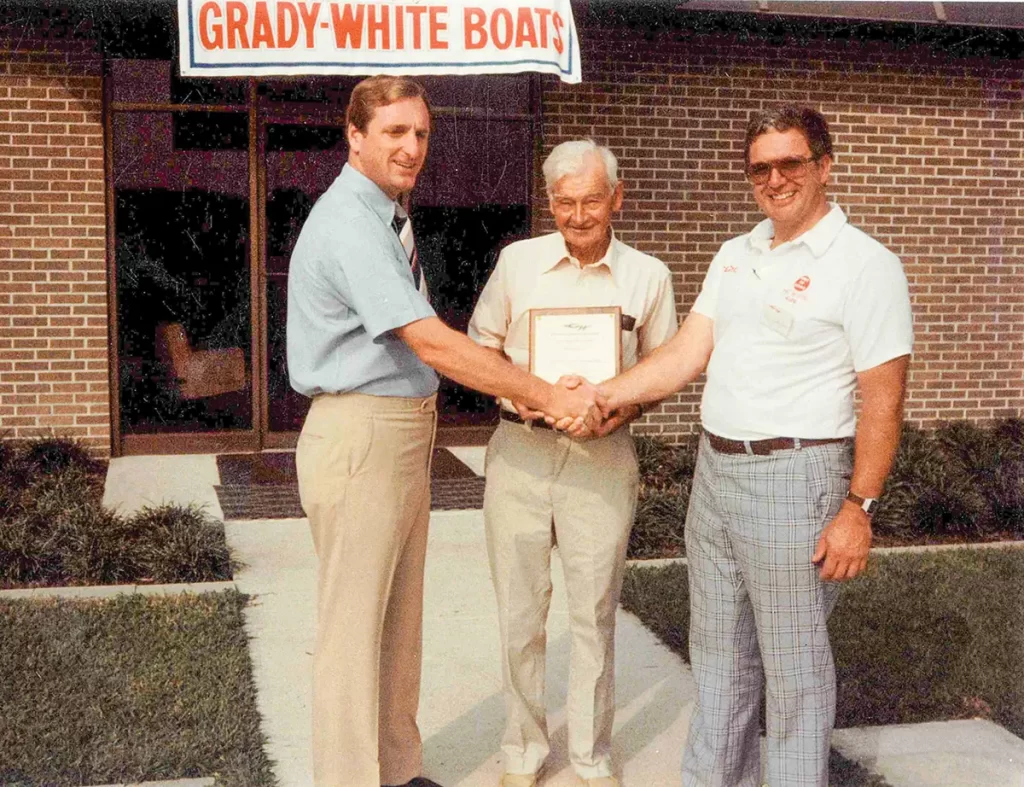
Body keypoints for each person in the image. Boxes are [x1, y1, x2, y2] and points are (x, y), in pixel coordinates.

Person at [286, 76, 601, 787]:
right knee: (351, 635)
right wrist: (541, 391)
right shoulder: (347, 222)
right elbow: (430, 342)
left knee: (399, 625)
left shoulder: (385, 213)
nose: (411, 147)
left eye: (421, 133)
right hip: (361, 435)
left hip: (398, 437)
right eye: (394, 132)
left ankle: (399, 770)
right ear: (355, 136)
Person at [594, 106, 913, 786]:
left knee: (794, 674)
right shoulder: (735, 254)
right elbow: (685, 352)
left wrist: (859, 505)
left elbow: (883, 401)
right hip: (717, 477)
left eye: (790, 162)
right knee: (717, 661)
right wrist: (602, 395)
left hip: (796, 478)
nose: (775, 179)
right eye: (760, 167)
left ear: (824, 165)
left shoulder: (865, 265)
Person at [468, 140, 679, 787]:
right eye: (564, 201)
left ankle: (590, 756)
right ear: (549, 200)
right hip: (520, 457)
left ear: (616, 197)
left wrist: (621, 410)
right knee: (520, 616)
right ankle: (524, 751)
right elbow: (482, 350)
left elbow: (660, 369)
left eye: (591, 199)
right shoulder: (517, 263)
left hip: (601, 458)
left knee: (593, 613)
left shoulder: (649, 276)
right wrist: (528, 399)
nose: (578, 214)